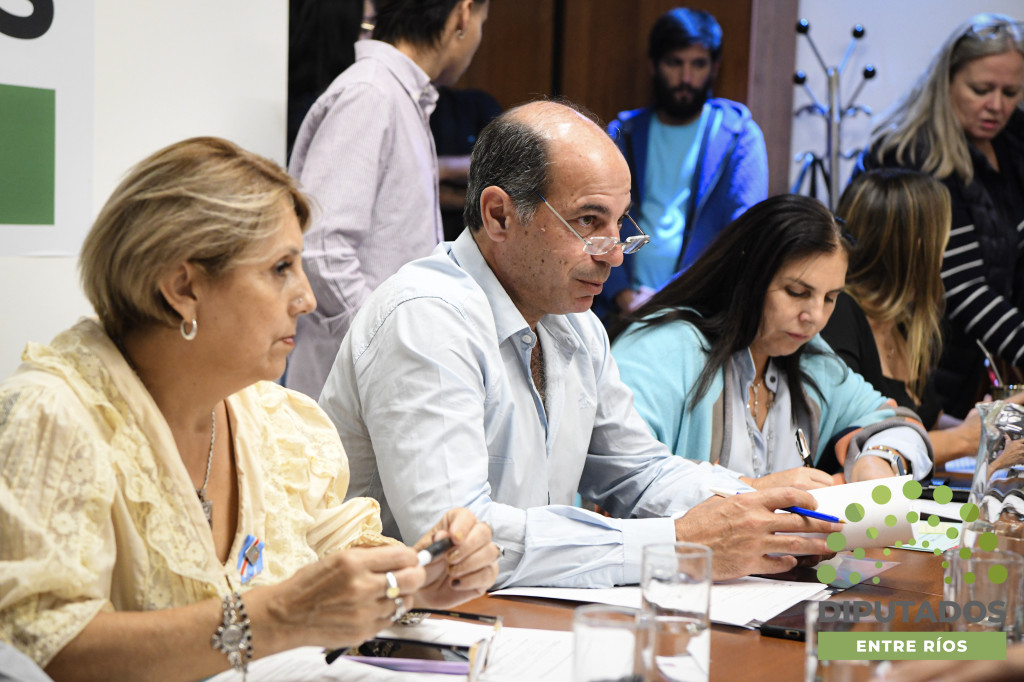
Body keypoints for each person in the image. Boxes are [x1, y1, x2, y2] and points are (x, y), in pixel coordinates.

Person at [0, 137, 498, 679]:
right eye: (281, 267)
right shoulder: (51, 419)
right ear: (182, 288)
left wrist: (418, 576)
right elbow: (42, 649)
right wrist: (278, 617)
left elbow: (336, 557)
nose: (306, 298)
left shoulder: (277, 420)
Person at [318, 100, 842, 590]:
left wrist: (759, 505)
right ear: (499, 215)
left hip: (514, 615)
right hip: (398, 630)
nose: (615, 255)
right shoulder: (427, 318)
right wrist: (677, 542)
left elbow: (638, 474)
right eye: (589, 221)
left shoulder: (576, 324)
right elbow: (454, 544)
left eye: (620, 222)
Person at [610, 194, 932, 487]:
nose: (815, 316)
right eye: (797, 292)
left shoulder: (811, 358)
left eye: (830, 298)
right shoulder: (664, 348)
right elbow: (621, 470)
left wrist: (879, 458)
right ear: (748, 276)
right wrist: (756, 491)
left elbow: (898, 422)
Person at [286, 0, 490, 399]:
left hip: (379, 382)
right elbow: (322, 248)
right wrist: (387, 344)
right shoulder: (371, 93)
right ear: (464, 14)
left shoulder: (396, 94)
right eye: (484, 20)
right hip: (353, 389)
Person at [856, 13, 1024, 419]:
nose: (996, 105)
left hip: (975, 365)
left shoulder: (1013, 141)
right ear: (946, 80)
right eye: (980, 89)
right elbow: (962, 285)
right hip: (923, 361)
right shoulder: (911, 154)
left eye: (1011, 92)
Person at [821, 168, 1002, 470]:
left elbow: (926, 421)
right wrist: (964, 439)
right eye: (942, 240)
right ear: (918, 247)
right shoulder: (839, 315)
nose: (944, 253)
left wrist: (985, 425)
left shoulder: (904, 322)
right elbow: (862, 447)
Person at [599, 7, 768, 323]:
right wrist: (623, 296)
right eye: (674, 63)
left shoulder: (739, 137)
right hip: (618, 309)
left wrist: (673, 299)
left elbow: (744, 237)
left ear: (714, 67)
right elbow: (594, 218)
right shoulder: (623, 133)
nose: (686, 78)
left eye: (698, 64)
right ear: (654, 65)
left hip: (699, 313)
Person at [431, 85, 503, 241]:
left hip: (474, 235)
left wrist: (441, 168)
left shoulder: (476, 103)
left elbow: (504, 166)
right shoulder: (405, 109)